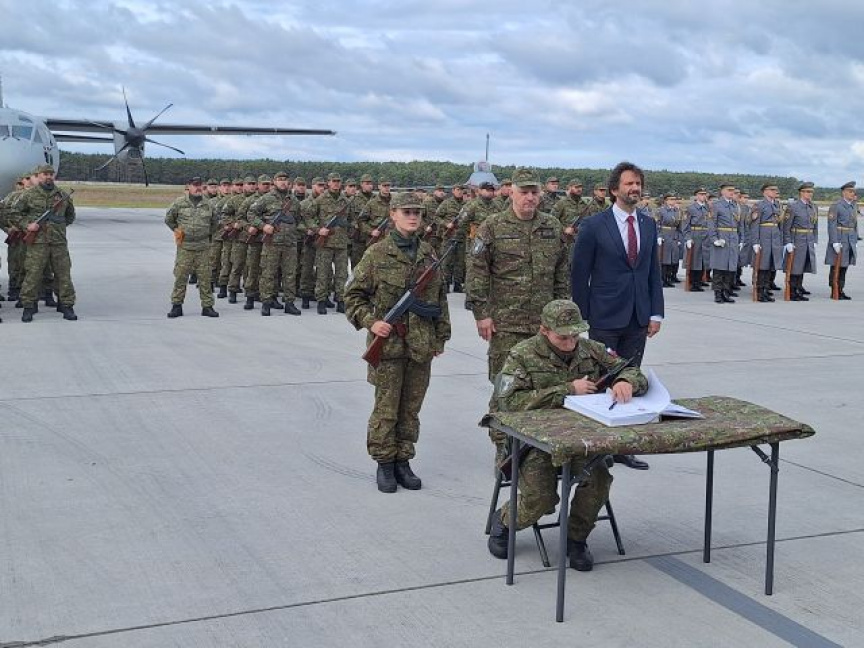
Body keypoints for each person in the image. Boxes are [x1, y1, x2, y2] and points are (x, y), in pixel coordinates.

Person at [487, 299, 648, 570]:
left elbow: (631, 368)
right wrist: (567, 390)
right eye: (563, 337)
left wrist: (625, 381)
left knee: (598, 481)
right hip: (533, 442)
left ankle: (576, 538)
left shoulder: (591, 349)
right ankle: (503, 521)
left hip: (580, 438)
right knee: (542, 498)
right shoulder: (522, 355)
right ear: (544, 330)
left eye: (575, 335)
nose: (570, 342)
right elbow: (508, 403)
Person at [344, 192, 451, 493]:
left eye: (418, 212)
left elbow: (439, 300)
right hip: (389, 347)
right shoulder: (377, 253)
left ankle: (403, 460)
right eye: (407, 212)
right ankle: (384, 463)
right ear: (393, 214)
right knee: (386, 409)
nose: (413, 216)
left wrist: (441, 337)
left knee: (410, 409)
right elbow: (352, 296)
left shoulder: (429, 253)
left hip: (420, 345)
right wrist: (371, 321)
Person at [467, 167, 570, 463]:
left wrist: (563, 318)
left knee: (543, 386)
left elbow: (562, 273)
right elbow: (477, 271)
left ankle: (536, 448)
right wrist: (482, 314)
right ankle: (503, 449)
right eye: (523, 192)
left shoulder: (551, 226)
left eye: (534, 192)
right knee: (505, 386)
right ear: (511, 192)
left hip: (544, 327)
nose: (529, 197)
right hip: (506, 324)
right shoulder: (492, 226)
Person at [570, 161, 663, 470]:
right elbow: (579, 274)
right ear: (614, 190)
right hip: (604, 315)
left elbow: (652, 272)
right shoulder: (595, 225)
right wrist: (582, 317)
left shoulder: (647, 224)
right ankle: (599, 449)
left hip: (638, 316)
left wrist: (656, 312)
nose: (635, 188)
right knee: (603, 380)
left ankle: (623, 446)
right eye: (629, 184)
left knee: (629, 379)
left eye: (638, 183)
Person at [16, 165, 77, 322]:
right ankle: (29, 306)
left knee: (63, 275)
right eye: (45, 174)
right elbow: (15, 213)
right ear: (39, 175)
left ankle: (67, 305)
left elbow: (70, 216)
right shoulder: (29, 195)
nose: (49, 177)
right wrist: (27, 225)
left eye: (51, 174)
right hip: (37, 243)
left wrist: (56, 228)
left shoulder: (62, 195)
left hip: (58, 243)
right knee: (33, 275)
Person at [164, 177, 220, 318]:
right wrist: (178, 230)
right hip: (185, 247)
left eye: (200, 185)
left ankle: (207, 306)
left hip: (203, 247)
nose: (198, 187)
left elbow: (215, 223)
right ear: (188, 186)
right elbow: (169, 219)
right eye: (195, 185)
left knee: (205, 278)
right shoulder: (179, 203)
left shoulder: (209, 204)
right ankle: (177, 306)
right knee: (181, 277)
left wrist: (205, 234)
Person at [248, 171, 302, 315]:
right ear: (274, 181)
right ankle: (266, 302)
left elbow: (298, 218)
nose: (283, 182)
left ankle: (289, 303)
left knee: (290, 274)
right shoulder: (266, 198)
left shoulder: (294, 200)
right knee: (268, 273)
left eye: (285, 179)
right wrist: (263, 226)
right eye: (280, 179)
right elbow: (251, 214)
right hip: (272, 243)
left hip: (290, 243)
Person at [310, 172, 350, 314]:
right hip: (325, 243)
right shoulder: (320, 199)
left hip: (341, 243)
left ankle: (340, 300)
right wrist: (318, 229)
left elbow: (352, 219)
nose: (336, 183)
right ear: (328, 183)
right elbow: (308, 216)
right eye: (334, 181)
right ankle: (321, 300)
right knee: (323, 273)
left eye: (338, 181)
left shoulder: (345, 201)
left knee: (342, 274)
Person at [782, 182, 819, 301]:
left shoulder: (813, 207)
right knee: (795, 267)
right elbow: (786, 226)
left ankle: (798, 288)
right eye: (807, 192)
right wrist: (788, 242)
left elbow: (815, 225)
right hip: (797, 240)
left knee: (803, 266)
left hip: (808, 239)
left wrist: (815, 240)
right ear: (801, 193)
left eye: (811, 192)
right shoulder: (793, 206)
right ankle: (792, 291)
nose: (810, 194)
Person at [707, 183, 742, 304]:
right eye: (729, 190)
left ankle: (726, 292)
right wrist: (714, 239)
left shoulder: (734, 205)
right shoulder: (716, 205)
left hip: (733, 238)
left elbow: (739, 224)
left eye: (733, 190)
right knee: (719, 268)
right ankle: (718, 293)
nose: (732, 192)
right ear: (722, 191)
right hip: (722, 237)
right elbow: (711, 223)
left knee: (730, 268)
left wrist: (740, 239)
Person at [750, 183, 784, 302]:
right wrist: (755, 242)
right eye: (772, 190)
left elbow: (779, 224)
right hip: (763, 238)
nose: (775, 192)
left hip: (774, 238)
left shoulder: (777, 205)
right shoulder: (759, 205)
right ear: (765, 191)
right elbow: (754, 225)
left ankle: (766, 289)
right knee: (762, 266)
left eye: (776, 190)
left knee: (770, 266)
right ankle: (759, 292)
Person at [825, 181, 858, 299]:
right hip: (840, 239)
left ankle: (840, 289)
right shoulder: (836, 205)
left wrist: (855, 239)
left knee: (844, 266)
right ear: (843, 192)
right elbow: (831, 225)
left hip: (849, 240)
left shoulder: (853, 205)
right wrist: (834, 241)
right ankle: (834, 289)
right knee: (836, 266)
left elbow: (854, 224)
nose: (852, 193)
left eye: (853, 191)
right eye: (850, 191)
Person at [435, 184, 469, 292]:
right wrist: (446, 224)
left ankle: (457, 284)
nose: (460, 191)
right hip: (449, 236)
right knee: (447, 261)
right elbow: (437, 217)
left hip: (462, 236)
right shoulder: (447, 203)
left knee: (460, 262)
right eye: (458, 189)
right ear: (453, 190)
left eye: (462, 190)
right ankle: (446, 284)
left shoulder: (467, 205)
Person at [682, 188, 711, 291]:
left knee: (703, 259)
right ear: (696, 196)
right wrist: (688, 238)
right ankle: (693, 282)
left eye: (704, 194)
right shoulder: (691, 208)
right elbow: (685, 225)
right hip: (695, 234)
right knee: (694, 260)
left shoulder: (707, 208)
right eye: (701, 194)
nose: (703, 196)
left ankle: (699, 280)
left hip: (706, 235)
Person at [656, 193, 683, 287]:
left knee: (672, 259)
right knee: (664, 259)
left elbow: (679, 226)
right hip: (665, 235)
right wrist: (659, 236)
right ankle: (662, 279)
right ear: (666, 201)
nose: (673, 201)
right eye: (671, 199)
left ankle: (669, 278)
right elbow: (657, 224)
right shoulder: (661, 211)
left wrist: (679, 238)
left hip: (674, 236)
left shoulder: (677, 211)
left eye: (674, 199)